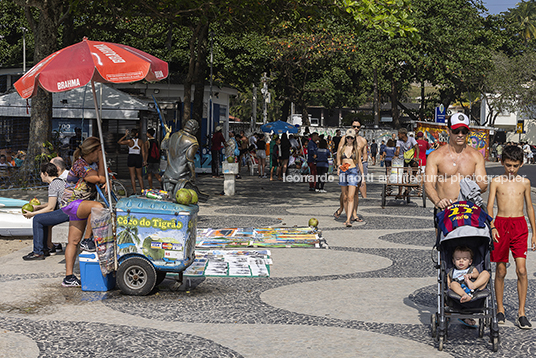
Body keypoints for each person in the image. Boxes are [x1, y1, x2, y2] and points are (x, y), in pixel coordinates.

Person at [486, 145, 536, 329]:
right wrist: (492, 226)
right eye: (508, 165)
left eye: (515, 165)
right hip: (500, 225)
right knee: (500, 270)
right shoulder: (497, 181)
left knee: (522, 270)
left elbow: (529, 207)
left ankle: (521, 312)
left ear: (521, 164)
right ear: (502, 162)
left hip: (519, 226)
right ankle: (500, 309)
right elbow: (490, 205)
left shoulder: (525, 182)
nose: (511, 169)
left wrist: (534, 233)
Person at [60, 137, 107, 287]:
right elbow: (99, 178)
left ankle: (68, 277)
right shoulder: (81, 165)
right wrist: (101, 160)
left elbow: (104, 177)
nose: (102, 153)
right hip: (73, 203)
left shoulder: (88, 163)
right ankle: (87, 241)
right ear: (93, 151)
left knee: (73, 241)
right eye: (99, 151)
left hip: (78, 204)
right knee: (98, 208)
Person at [425, 113, 487, 211]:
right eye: (456, 131)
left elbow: (483, 184)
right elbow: (428, 184)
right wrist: (438, 201)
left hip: (468, 208)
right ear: (448, 130)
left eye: (464, 131)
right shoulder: (436, 156)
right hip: (444, 208)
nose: (460, 135)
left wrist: (464, 198)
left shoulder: (476, 156)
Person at [22, 163, 69, 260]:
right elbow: (51, 203)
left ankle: (38, 252)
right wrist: (37, 208)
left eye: (41, 173)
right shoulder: (59, 181)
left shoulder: (53, 185)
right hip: (68, 210)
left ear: (46, 173)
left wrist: (32, 214)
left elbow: (51, 208)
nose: (40, 176)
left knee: (38, 219)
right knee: (43, 217)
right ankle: (44, 249)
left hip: (65, 212)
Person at [335, 121, 367, 221]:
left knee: (354, 193)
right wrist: (338, 166)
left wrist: (363, 173)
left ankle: (354, 214)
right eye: (354, 126)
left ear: (360, 127)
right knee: (345, 193)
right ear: (351, 126)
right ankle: (342, 208)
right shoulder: (343, 138)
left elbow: (364, 155)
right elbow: (339, 153)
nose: (356, 128)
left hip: (356, 167)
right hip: (345, 168)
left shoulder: (363, 140)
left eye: (358, 126)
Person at [118, 128, 145, 195]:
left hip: (131, 157)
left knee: (132, 176)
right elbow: (143, 152)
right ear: (137, 134)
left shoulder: (129, 141)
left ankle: (135, 191)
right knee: (139, 176)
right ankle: (142, 190)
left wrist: (125, 135)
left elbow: (119, 142)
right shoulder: (141, 141)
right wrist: (144, 160)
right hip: (138, 157)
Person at [395, 128, 419, 199]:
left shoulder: (411, 139)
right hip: (402, 158)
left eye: (399, 134)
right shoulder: (399, 141)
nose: (397, 135)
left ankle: (412, 180)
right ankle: (399, 192)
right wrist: (396, 154)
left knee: (415, 165)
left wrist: (417, 157)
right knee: (402, 174)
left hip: (410, 157)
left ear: (403, 134)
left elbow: (417, 147)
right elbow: (398, 149)